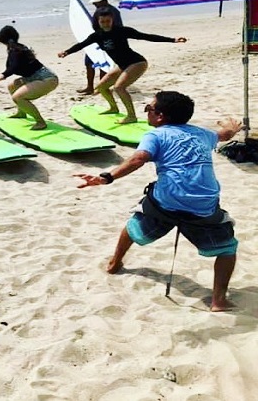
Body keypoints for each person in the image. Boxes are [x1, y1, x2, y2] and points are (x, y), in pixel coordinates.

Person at [75, 91, 242, 312]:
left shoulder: (155, 135)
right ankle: (218, 301)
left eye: (148, 109)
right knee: (227, 249)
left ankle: (115, 263)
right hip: (203, 206)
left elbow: (138, 159)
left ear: (160, 116)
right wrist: (230, 126)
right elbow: (224, 135)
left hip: (166, 202)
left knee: (135, 220)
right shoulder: (203, 134)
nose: (147, 112)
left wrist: (107, 177)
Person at [58, 9, 187, 124]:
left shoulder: (122, 31)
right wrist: (66, 52)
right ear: (98, 22)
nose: (106, 24)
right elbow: (81, 45)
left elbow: (146, 36)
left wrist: (172, 39)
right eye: (102, 21)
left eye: (108, 21)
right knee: (101, 87)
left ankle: (131, 116)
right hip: (122, 65)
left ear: (112, 20)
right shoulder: (97, 36)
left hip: (137, 63)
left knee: (119, 87)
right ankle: (113, 108)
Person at [0, 25, 59, 130]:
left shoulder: (16, 50)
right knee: (12, 86)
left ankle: (40, 122)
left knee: (18, 97)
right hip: (34, 77)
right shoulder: (17, 47)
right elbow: (15, 65)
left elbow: (15, 66)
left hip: (47, 79)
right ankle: (21, 112)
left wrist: (3, 75)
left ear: (2, 39)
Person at [76, 0, 124, 95]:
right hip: (95, 41)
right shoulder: (99, 11)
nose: (93, 4)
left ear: (103, 0)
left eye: (95, 2)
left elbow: (118, 29)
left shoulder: (113, 12)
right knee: (89, 63)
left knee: (104, 64)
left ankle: (102, 87)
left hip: (108, 42)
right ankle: (90, 87)